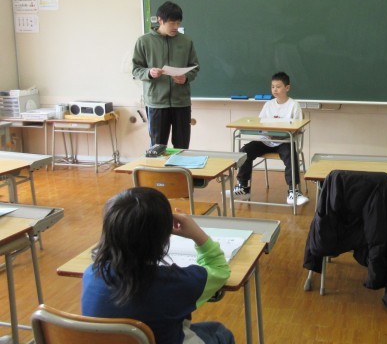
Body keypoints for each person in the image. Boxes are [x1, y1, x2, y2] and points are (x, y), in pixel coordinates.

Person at [82, 187, 234, 344]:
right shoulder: (171, 283)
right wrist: (197, 234)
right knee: (219, 332)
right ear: (162, 236)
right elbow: (220, 270)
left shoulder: (91, 274)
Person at [229, 71, 309, 206]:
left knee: (291, 154)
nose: (275, 90)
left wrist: (283, 131)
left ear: (287, 88)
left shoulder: (294, 105)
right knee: (245, 151)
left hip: (284, 141)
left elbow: (298, 127)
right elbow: (260, 123)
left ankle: (293, 191)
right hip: (266, 141)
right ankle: (243, 187)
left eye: (278, 87)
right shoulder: (268, 104)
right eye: (272, 87)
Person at [132, 1, 199, 149]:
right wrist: (149, 72)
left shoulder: (186, 41)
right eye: (172, 23)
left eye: (178, 23)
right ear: (160, 20)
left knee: (182, 146)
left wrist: (186, 78)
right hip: (156, 102)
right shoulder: (144, 41)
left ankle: (180, 166)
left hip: (181, 102)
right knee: (157, 147)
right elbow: (136, 69)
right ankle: (157, 165)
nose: (176, 27)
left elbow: (194, 67)